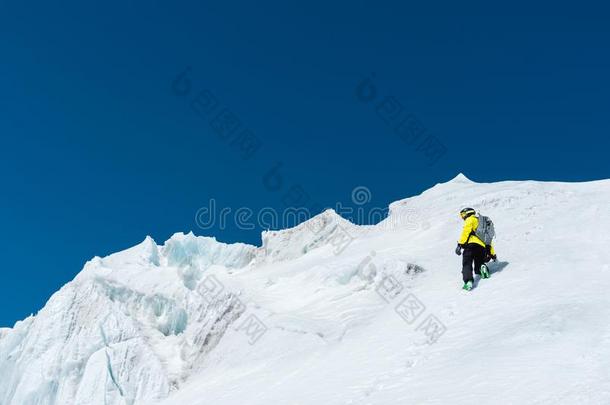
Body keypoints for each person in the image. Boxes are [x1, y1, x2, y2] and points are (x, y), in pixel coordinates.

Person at [455, 208, 497, 290]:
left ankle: (468, 281)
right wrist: (492, 254)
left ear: (467, 213)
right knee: (479, 262)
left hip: (471, 246)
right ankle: (482, 268)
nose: (463, 217)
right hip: (482, 247)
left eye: (463, 215)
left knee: (467, 263)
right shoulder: (482, 224)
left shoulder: (470, 219)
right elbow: (488, 240)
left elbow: (466, 231)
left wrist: (460, 244)